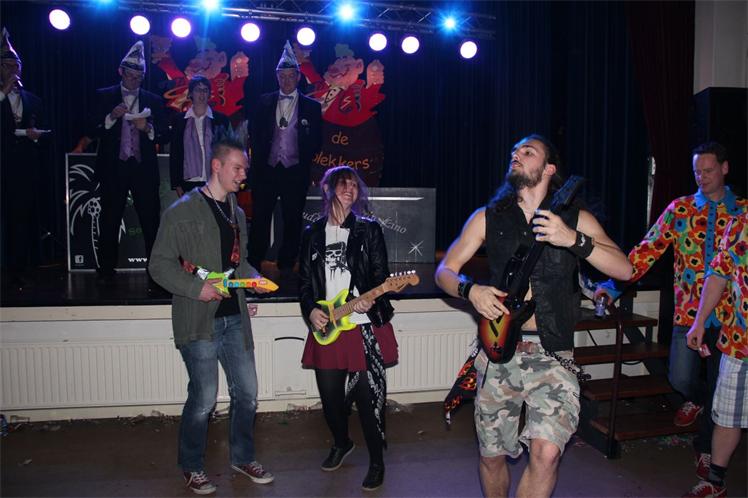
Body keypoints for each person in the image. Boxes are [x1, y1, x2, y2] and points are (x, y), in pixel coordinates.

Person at [435, 134, 632, 498]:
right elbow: (445, 270)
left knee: (547, 453)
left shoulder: (576, 220)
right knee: (492, 456)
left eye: (528, 151)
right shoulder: (487, 217)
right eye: (514, 151)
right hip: (499, 351)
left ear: (549, 168)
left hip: (554, 353)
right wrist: (470, 290)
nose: (517, 155)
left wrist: (572, 239)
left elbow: (624, 269)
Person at [596, 142, 747, 479]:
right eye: (697, 172)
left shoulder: (742, 213)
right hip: (689, 313)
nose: (702, 177)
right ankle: (697, 399)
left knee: (719, 391)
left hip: (731, 320)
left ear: (724, 168)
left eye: (708, 170)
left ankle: (706, 451)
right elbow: (647, 249)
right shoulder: (680, 209)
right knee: (680, 377)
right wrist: (614, 285)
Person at [149, 133, 274, 495]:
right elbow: (159, 265)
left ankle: (243, 457)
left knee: (248, 394)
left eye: (245, 169)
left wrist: (253, 281)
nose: (243, 175)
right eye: (237, 168)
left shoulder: (236, 213)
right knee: (204, 400)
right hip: (199, 320)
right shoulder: (181, 211)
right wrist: (196, 289)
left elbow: (239, 263)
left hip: (235, 318)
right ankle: (192, 466)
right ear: (216, 166)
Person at [298, 165, 398, 492]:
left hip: (362, 326)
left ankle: (377, 462)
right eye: (342, 184)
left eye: (354, 185)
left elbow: (381, 277)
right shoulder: (313, 233)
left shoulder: (368, 230)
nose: (349, 189)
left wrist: (371, 298)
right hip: (328, 326)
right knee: (331, 402)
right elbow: (304, 284)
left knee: (369, 402)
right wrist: (311, 310)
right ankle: (342, 443)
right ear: (327, 190)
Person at [684, 212, 747, 498]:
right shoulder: (741, 224)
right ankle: (715, 482)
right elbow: (718, 275)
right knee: (727, 417)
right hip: (740, 340)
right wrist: (699, 321)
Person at [90, 41, 165, 281]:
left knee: (150, 221)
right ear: (120, 72)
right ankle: (106, 270)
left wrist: (148, 129)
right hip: (114, 167)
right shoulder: (104, 96)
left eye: (139, 77)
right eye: (130, 75)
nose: (134, 81)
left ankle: (156, 272)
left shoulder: (153, 100)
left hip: (143, 169)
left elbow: (164, 133)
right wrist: (111, 117)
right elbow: (91, 128)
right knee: (110, 219)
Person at [247, 40, 322, 273]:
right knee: (260, 217)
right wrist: (260, 161)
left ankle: (287, 262)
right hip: (266, 170)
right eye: (282, 76)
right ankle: (254, 259)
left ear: (298, 77)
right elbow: (254, 133)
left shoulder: (312, 106)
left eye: (291, 76)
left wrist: (301, 157)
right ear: (277, 77)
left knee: (293, 219)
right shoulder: (264, 101)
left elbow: (317, 140)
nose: (286, 80)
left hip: (295, 171)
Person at [0, 27, 48, 287]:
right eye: (7, 66)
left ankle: (20, 267)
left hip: (23, 166)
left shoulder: (33, 100)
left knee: (21, 218)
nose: (12, 70)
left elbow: (46, 132)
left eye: (16, 66)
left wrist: (36, 136)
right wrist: (4, 91)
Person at [169, 76, 230, 197]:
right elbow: (175, 153)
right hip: (188, 181)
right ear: (191, 93)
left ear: (209, 94)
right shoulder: (179, 120)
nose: (202, 93)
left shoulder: (221, 119)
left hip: (215, 179)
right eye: (198, 89)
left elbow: (227, 152)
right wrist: (177, 183)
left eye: (205, 90)